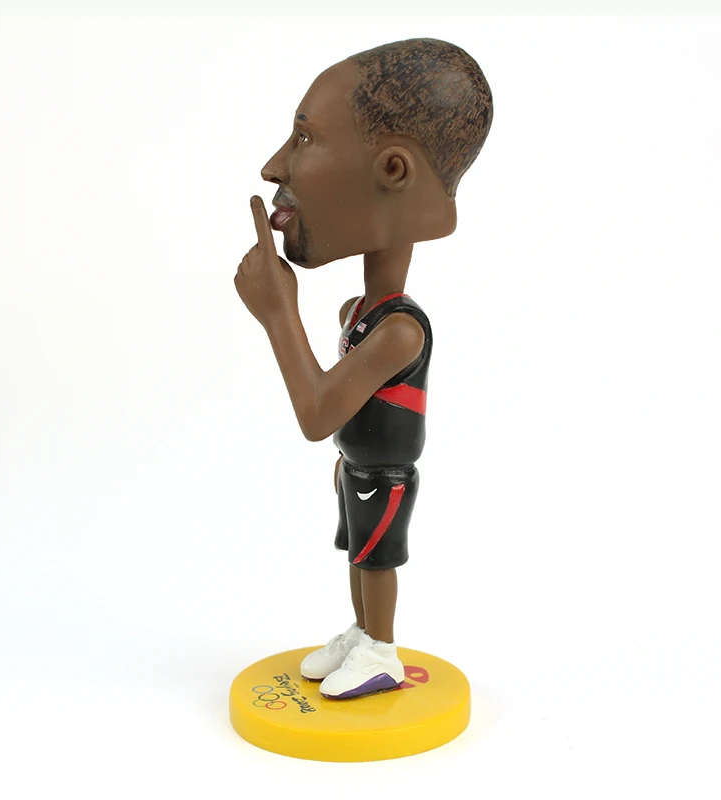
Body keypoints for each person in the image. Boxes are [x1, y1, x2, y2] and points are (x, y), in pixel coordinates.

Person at [234, 38, 492, 699]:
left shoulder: (399, 332)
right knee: (357, 554)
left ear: (393, 171)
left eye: (304, 138)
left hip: (384, 475)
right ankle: (361, 632)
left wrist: (278, 313)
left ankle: (381, 649)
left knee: (376, 561)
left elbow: (317, 413)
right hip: (356, 469)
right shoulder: (362, 314)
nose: (274, 166)